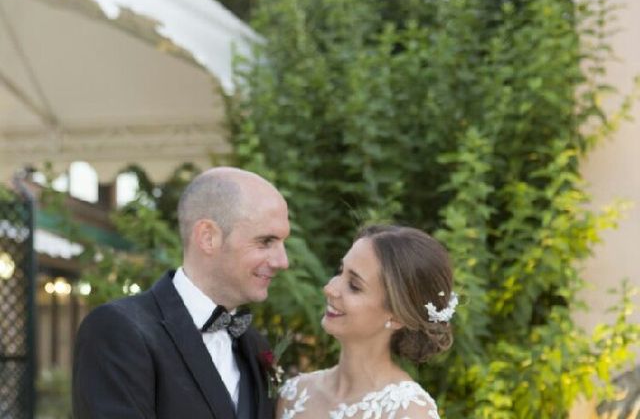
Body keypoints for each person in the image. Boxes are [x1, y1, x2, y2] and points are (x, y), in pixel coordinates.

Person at [73, 167, 291, 419]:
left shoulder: (255, 345)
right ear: (208, 237)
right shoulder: (118, 330)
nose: (282, 261)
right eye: (266, 242)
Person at [276, 224, 456, 419]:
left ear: (397, 317)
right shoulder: (294, 394)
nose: (330, 288)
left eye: (354, 286)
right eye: (340, 271)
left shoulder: (410, 412)